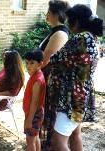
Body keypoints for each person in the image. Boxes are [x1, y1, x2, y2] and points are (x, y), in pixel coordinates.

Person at [48, 4, 103, 150]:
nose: (67, 24)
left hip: (71, 98)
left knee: (58, 141)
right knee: (74, 135)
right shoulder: (93, 38)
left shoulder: (80, 38)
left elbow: (55, 58)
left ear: (76, 21)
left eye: (69, 20)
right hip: (81, 95)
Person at [39, 0, 70, 148]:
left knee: (49, 113)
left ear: (56, 14)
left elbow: (45, 60)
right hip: (45, 78)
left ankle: (49, 145)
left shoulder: (60, 34)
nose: (47, 14)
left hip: (50, 80)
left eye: (49, 12)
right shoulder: (55, 31)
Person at [23, 50, 46, 151]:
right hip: (34, 113)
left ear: (40, 64)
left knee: (30, 141)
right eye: (27, 63)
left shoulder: (37, 80)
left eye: (32, 63)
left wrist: (29, 119)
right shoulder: (35, 75)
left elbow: (35, 102)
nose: (28, 66)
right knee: (35, 137)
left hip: (34, 114)